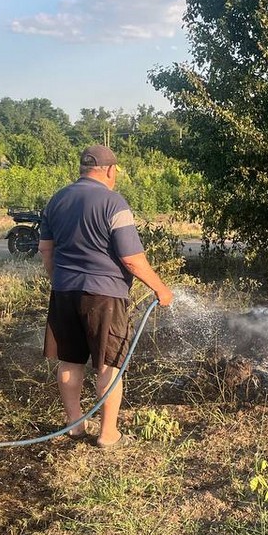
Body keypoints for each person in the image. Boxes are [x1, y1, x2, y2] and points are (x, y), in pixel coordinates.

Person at [39, 145, 173, 448]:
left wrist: (59, 281)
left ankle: (75, 425)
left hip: (64, 291)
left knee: (70, 361)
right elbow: (132, 259)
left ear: (83, 168)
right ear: (111, 171)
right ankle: (108, 433)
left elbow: (46, 250)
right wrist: (160, 288)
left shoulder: (56, 200)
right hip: (104, 296)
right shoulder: (114, 203)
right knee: (108, 364)